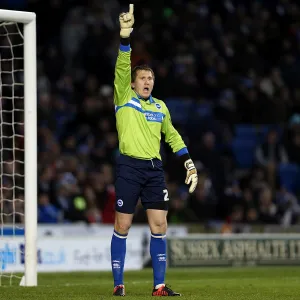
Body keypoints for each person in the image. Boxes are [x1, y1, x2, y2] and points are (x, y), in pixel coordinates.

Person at [110, 4, 198, 297]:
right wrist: (125, 38)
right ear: (133, 84)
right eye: (143, 78)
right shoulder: (124, 98)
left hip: (153, 170)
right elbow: (123, 68)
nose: (147, 81)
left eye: (150, 78)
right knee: (122, 224)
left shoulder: (160, 106)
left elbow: (172, 135)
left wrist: (188, 162)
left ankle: (159, 286)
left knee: (160, 225)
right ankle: (118, 284)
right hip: (129, 167)